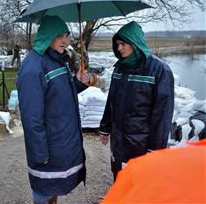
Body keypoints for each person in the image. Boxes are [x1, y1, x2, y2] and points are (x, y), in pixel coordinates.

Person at [17, 15, 91, 204]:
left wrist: (78, 83)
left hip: (60, 141)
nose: (65, 41)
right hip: (48, 146)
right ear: (47, 36)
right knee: (43, 190)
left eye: (65, 35)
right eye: (59, 36)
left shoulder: (57, 60)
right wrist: (39, 153)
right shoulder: (33, 68)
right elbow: (31, 118)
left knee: (53, 187)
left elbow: (60, 94)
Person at [99, 21, 174, 181]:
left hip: (141, 144)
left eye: (123, 43)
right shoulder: (120, 67)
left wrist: (156, 149)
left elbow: (162, 114)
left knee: (138, 184)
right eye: (117, 44)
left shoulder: (159, 70)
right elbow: (111, 99)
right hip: (118, 142)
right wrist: (105, 127)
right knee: (119, 178)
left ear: (135, 43)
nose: (119, 48)